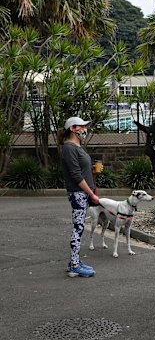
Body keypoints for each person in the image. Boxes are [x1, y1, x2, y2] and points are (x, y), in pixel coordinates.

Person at [58, 116, 99, 277]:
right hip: (78, 194)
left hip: (82, 194)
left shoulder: (76, 147)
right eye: (81, 127)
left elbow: (82, 171)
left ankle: (75, 261)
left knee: (79, 226)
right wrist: (90, 193)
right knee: (78, 227)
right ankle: (74, 264)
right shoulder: (69, 148)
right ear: (72, 129)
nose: (84, 129)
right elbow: (76, 175)